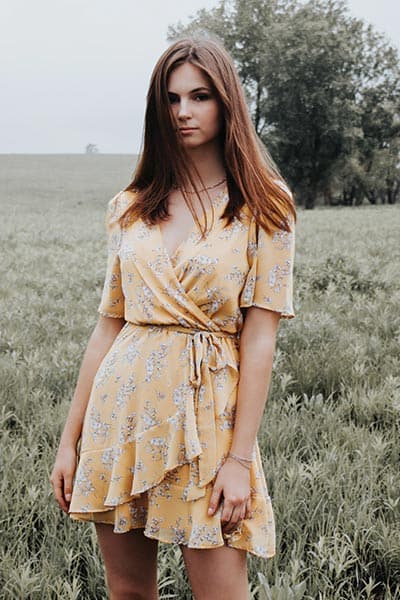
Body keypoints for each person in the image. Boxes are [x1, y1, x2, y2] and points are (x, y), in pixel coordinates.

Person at [50, 37, 296, 600]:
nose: (183, 111)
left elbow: (260, 340)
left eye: (200, 96)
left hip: (209, 413)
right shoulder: (130, 204)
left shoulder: (265, 205)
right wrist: (71, 440)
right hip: (122, 409)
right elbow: (108, 326)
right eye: (170, 98)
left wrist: (238, 460)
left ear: (227, 102)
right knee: (130, 593)